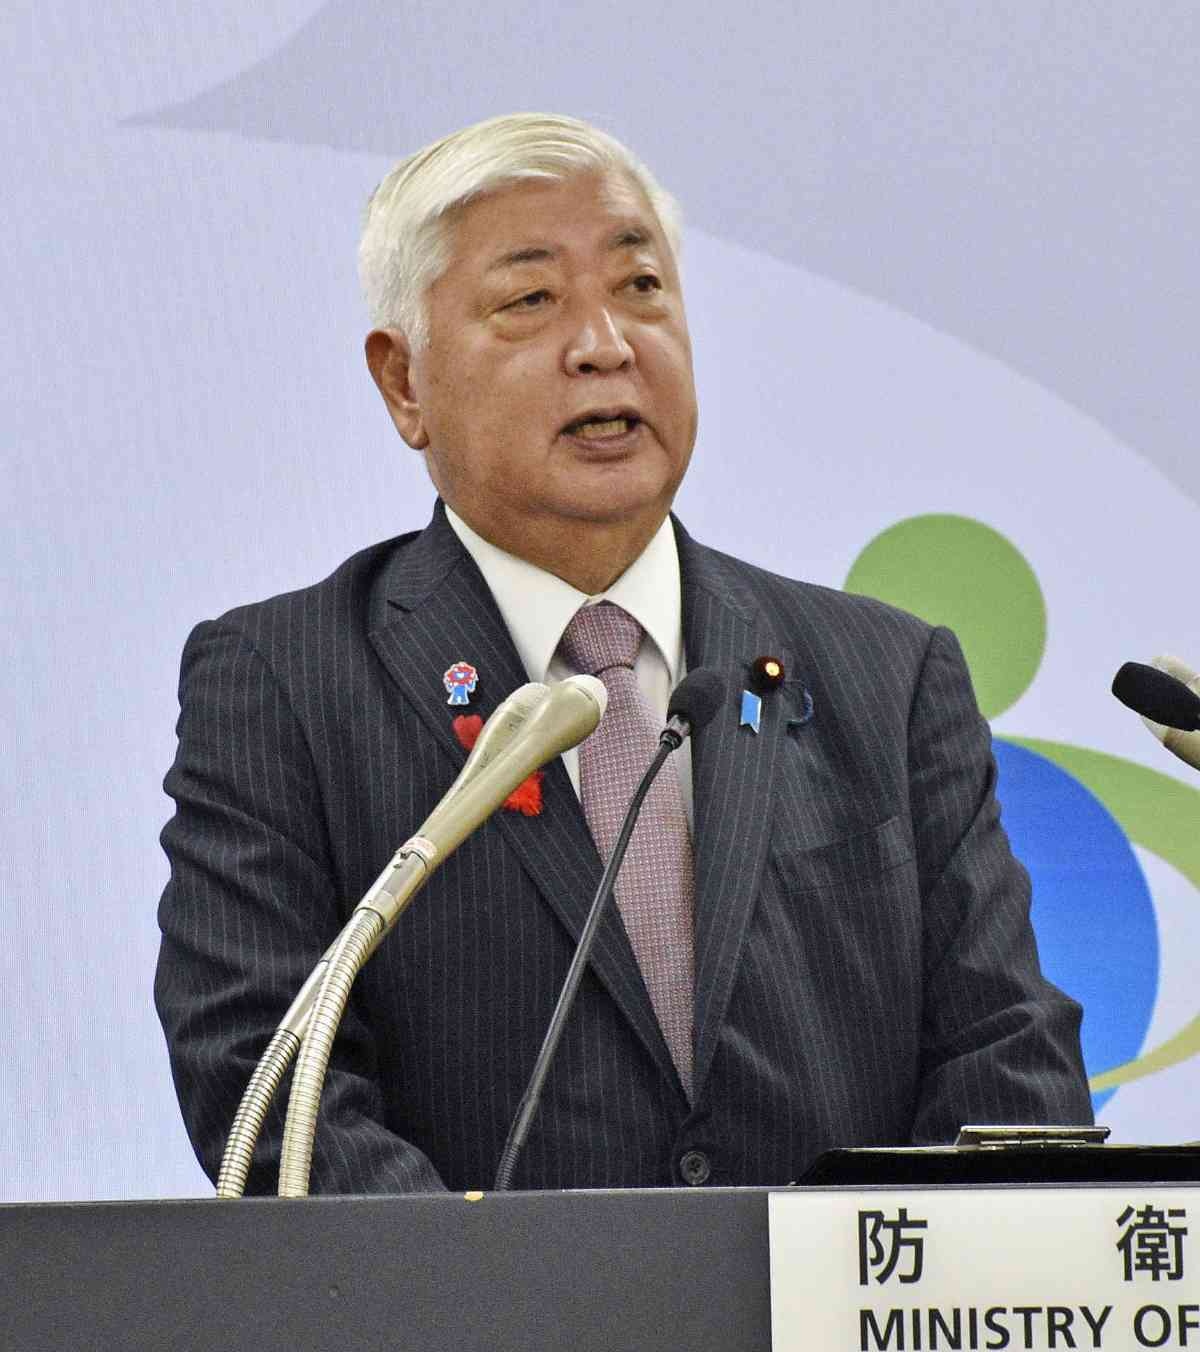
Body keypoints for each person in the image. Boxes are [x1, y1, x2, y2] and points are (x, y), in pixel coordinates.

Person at [155, 113, 1092, 1195]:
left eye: (640, 287)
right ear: (405, 383)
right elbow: (269, 1078)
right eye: (531, 299)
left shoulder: (887, 674)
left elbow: (1006, 1055)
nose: (604, 343)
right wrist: (499, 1285)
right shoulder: (286, 683)